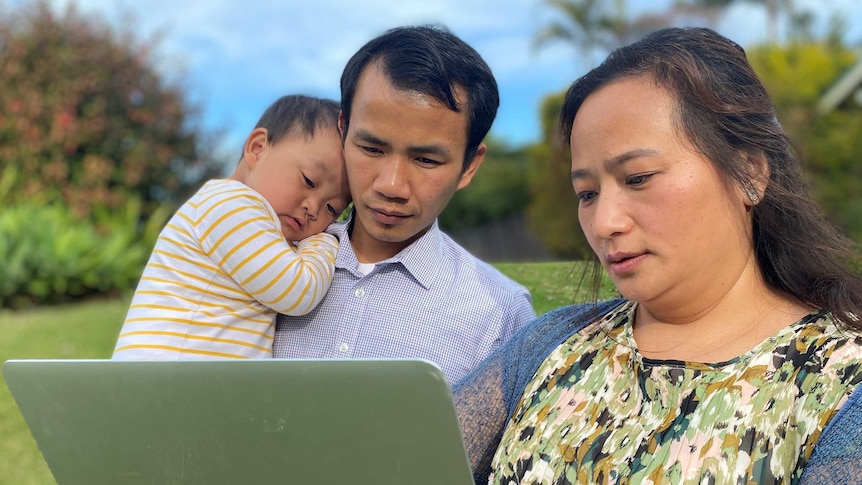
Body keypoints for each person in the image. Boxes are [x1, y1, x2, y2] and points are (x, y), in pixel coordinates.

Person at [453, 27, 862, 484]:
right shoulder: (551, 346)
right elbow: (396, 452)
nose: (605, 221)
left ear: (749, 174)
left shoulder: (840, 382)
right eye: (586, 193)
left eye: (639, 177)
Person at [272, 25, 537, 384]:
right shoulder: (265, 254)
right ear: (344, 131)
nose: (392, 186)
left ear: (469, 165)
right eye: (371, 149)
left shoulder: (502, 317)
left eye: (426, 160)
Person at [113, 95, 351, 359]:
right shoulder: (231, 205)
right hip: (168, 382)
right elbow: (298, 291)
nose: (313, 208)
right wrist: (326, 241)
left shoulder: (246, 214)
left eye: (333, 209)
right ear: (258, 148)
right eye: (309, 180)